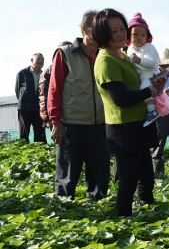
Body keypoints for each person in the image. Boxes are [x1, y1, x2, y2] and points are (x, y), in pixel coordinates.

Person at [92, 8, 166, 216]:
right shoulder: (106, 60)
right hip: (123, 128)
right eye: (113, 31)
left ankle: (149, 215)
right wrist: (148, 91)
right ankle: (123, 219)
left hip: (139, 123)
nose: (120, 34)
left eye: (122, 29)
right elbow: (120, 99)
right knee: (128, 179)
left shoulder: (124, 55)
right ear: (102, 33)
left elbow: (138, 85)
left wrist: (156, 85)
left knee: (146, 175)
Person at [48, 11, 109, 201]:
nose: (102, 36)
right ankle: (64, 212)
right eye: (97, 31)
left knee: (99, 175)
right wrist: (56, 123)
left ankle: (98, 213)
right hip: (72, 125)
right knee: (67, 175)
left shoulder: (105, 55)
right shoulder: (65, 55)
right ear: (85, 29)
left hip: (100, 124)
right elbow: (54, 91)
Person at [125, 12, 162, 127]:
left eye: (142, 35)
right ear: (129, 37)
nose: (139, 38)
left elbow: (151, 63)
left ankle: (152, 112)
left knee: (144, 89)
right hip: (140, 75)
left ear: (147, 36)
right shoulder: (129, 49)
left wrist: (140, 61)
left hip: (150, 74)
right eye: (135, 35)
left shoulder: (149, 47)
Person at [39, 41, 71, 129]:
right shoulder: (49, 71)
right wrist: (48, 118)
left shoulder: (74, 68)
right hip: (57, 116)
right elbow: (45, 96)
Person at [15, 53, 47, 143]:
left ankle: (42, 153)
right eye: (38, 59)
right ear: (32, 60)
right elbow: (18, 91)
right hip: (25, 108)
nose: (41, 61)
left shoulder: (45, 74)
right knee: (24, 133)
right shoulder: (22, 73)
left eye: (42, 60)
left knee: (40, 133)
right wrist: (25, 100)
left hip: (39, 108)